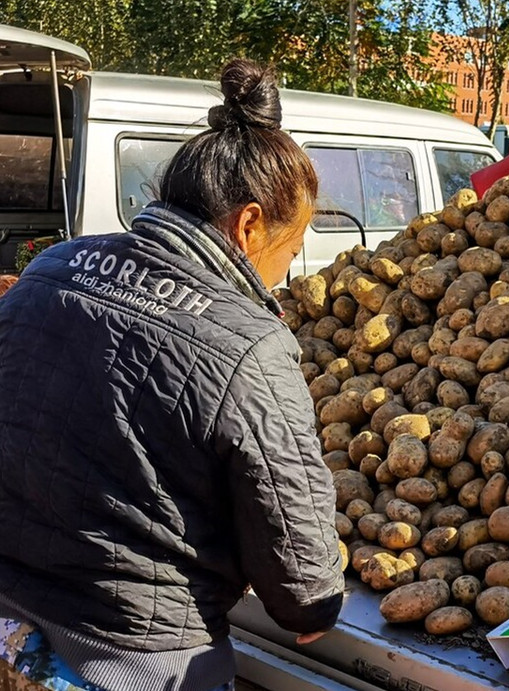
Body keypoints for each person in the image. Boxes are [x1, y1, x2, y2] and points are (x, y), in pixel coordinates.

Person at [0, 59, 344, 691]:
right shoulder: (250, 344)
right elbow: (300, 581)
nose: (285, 275)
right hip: (130, 657)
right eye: (290, 251)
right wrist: (319, 606)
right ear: (248, 224)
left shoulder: (50, 268)